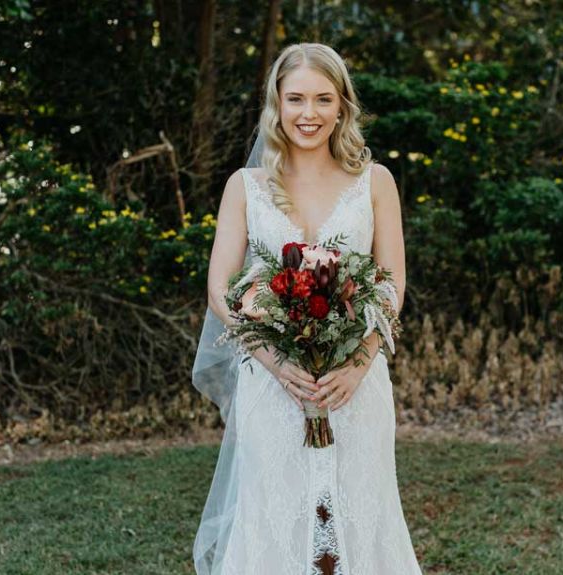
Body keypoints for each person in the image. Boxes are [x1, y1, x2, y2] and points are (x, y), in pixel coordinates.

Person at [191, 42, 423, 575]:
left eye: (323, 99)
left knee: (362, 516)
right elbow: (220, 288)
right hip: (272, 386)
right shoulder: (244, 187)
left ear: (342, 106)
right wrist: (275, 362)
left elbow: (391, 284)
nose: (309, 114)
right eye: (296, 99)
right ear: (277, 103)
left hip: (355, 389)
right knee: (275, 518)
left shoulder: (376, 183)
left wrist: (359, 363)